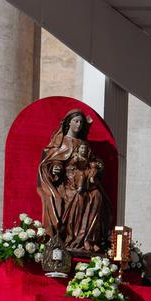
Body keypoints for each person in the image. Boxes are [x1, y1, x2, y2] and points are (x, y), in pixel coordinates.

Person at [36, 109, 112, 254]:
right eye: (76, 121)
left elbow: (92, 160)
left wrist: (97, 165)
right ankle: (71, 238)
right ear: (68, 122)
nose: (79, 124)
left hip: (84, 178)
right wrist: (55, 168)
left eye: (81, 122)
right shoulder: (61, 141)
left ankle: (87, 239)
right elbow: (52, 160)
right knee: (76, 197)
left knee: (97, 196)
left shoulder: (85, 144)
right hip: (65, 181)